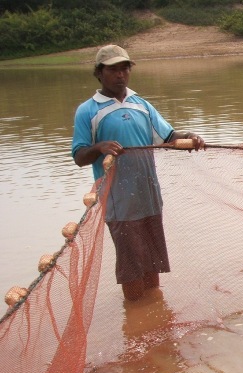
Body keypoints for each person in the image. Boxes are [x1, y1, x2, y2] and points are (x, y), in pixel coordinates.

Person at [71, 44, 206, 301]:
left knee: (152, 261)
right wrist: (99, 147)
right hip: (118, 202)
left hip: (149, 197)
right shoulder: (88, 111)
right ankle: (134, 307)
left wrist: (189, 136)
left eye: (124, 68)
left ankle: (150, 314)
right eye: (113, 70)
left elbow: (168, 136)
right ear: (99, 73)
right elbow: (79, 156)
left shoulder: (141, 104)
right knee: (131, 265)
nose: (120, 75)